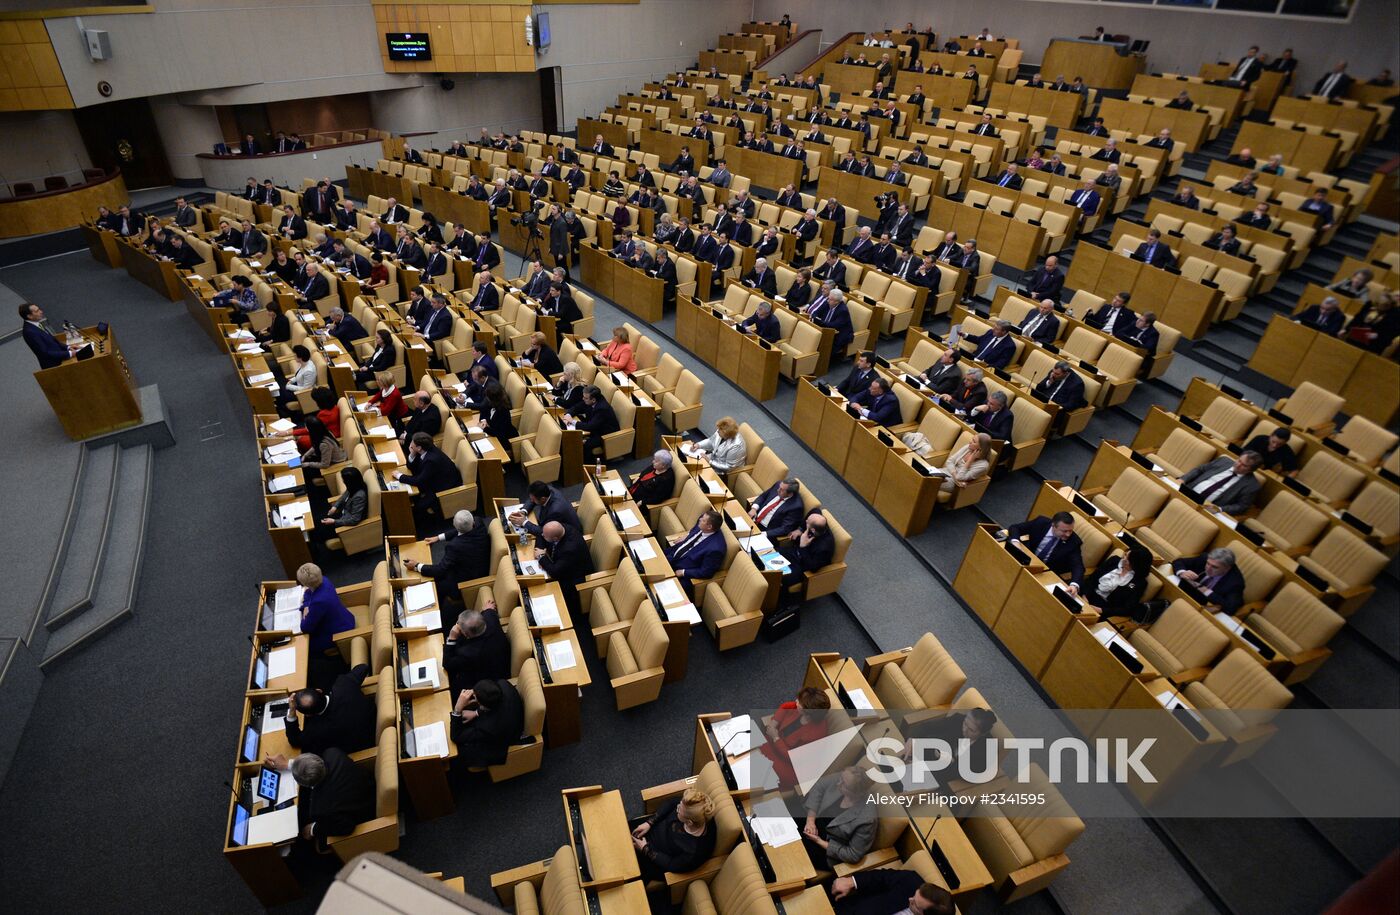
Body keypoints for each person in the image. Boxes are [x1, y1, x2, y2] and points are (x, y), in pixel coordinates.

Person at [261, 749, 374, 845]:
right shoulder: (332, 754)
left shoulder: (320, 810)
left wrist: (313, 829)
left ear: (302, 784)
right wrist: (288, 764)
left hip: (367, 813)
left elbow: (346, 827)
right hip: (368, 786)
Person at [408, 511, 493, 612]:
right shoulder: (479, 523)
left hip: (469, 579)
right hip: (479, 564)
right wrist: (438, 538)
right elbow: (462, 530)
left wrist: (416, 565)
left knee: (437, 586)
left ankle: (438, 612)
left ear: (453, 524)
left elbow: (440, 569)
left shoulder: (455, 546)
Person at [285, 663, 376, 755]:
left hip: (364, 745)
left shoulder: (317, 731)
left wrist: (292, 711)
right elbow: (363, 667)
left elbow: (295, 740)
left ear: (308, 715)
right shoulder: (343, 684)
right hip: (374, 719)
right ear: (319, 690)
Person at [631, 788, 718, 884]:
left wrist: (646, 849)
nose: (677, 806)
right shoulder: (691, 808)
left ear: (689, 822)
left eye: (679, 809)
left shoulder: (694, 851)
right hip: (651, 829)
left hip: (655, 858)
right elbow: (671, 803)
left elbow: (671, 865)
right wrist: (650, 822)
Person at [801, 767, 876, 869]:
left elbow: (852, 855)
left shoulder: (867, 819)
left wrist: (818, 841)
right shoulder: (846, 777)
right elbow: (819, 785)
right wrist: (810, 821)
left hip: (824, 850)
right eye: (840, 778)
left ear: (857, 794)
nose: (837, 784)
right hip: (811, 822)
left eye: (844, 785)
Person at [758, 687, 832, 791]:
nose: (796, 701)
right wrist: (774, 723)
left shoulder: (816, 734)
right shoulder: (799, 709)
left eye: (800, 702)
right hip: (777, 744)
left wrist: (775, 738)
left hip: (791, 765)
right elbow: (785, 706)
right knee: (753, 750)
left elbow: (795, 758)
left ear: (808, 712)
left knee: (760, 766)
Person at [296, 563, 356, 689]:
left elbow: (306, 627)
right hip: (343, 619)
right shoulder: (324, 581)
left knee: (305, 647)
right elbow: (308, 594)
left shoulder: (319, 602)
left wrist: (305, 612)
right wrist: (306, 607)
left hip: (338, 631)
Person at [450, 678, 525, 767]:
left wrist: (457, 709)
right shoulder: (503, 685)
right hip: (511, 713)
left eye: (475, 698)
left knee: (460, 753)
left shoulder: (487, 728)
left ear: (483, 706)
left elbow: (456, 736)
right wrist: (476, 713)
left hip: (502, 740)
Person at [396, 432, 463, 529]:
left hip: (444, 487)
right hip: (434, 479)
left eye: (412, 443)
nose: (410, 445)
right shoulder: (425, 449)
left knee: (418, 507)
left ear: (419, 448)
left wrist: (400, 476)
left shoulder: (431, 460)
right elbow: (411, 467)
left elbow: (419, 480)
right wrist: (412, 454)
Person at [1004, 512, 1084, 592]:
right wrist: (1015, 542)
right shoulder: (1041, 522)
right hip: (1026, 559)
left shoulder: (1074, 542)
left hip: (1044, 573)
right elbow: (1015, 528)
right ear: (1053, 526)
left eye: (1070, 531)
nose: (1068, 534)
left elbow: (1078, 566)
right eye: (1065, 531)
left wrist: (1074, 585)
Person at [830, 870, 954, 914]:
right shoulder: (911, 881)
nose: (910, 899)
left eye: (915, 904)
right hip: (850, 910)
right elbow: (880, 877)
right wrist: (852, 881)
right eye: (915, 894)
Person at [1179, 451, 1264, 515]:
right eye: (1239, 460)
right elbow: (1200, 469)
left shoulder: (1252, 486)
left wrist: (1220, 509)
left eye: (1244, 465)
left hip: (1204, 508)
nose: (1238, 465)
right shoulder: (1223, 461)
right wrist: (1183, 479)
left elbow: (1241, 506)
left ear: (1251, 470)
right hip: (1186, 491)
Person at [664, 509, 727, 595]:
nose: (700, 519)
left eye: (703, 520)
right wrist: (688, 535)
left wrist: (683, 572)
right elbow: (694, 530)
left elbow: (706, 572)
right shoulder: (704, 523)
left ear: (709, 527)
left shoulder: (715, 549)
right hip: (672, 554)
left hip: (683, 572)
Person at [535, 520, 592, 615]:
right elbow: (540, 535)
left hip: (574, 579)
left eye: (545, 536)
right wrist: (540, 550)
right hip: (561, 563)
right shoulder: (562, 527)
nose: (542, 535)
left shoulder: (569, 549)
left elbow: (555, 572)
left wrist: (541, 557)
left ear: (555, 538)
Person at [1083, 546, 1154, 621]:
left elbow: (1127, 609)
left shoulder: (1140, 583)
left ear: (1137, 564)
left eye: (1129, 559)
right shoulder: (1114, 560)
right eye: (1125, 554)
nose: (1124, 559)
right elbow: (1092, 578)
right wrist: (1085, 595)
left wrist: (1101, 610)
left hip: (1104, 609)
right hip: (1088, 594)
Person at [1172, 548, 1246, 613]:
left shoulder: (1235, 583)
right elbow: (1178, 561)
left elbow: (1230, 608)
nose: (1208, 569)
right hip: (1182, 593)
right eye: (1208, 564)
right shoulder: (1205, 558)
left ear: (1227, 568)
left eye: (1215, 567)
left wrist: (1206, 591)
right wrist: (1182, 572)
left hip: (1199, 606)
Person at [18, 303, 81, 369]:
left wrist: (68, 347)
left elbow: (52, 341)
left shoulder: (36, 324)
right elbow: (45, 353)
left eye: (39, 309)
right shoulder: (29, 332)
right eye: (37, 311)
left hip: (62, 360)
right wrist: (69, 353)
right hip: (55, 366)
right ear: (29, 316)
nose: (41, 312)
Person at [573, 385, 619, 462]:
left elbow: (590, 426)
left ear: (593, 400)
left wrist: (573, 422)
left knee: (586, 444)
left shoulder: (602, 409)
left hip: (606, 434)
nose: (583, 399)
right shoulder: (593, 400)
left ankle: (587, 465)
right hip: (597, 427)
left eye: (585, 398)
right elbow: (578, 407)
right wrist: (569, 414)